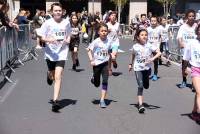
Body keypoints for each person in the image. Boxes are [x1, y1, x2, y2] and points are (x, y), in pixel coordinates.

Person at [39, 3, 71, 112]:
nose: (58, 12)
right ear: (52, 12)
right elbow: (41, 37)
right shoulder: (47, 23)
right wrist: (49, 40)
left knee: (58, 76)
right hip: (50, 53)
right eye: (56, 10)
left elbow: (69, 34)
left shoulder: (66, 22)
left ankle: (56, 101)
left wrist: (68, 40)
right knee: (52, 75)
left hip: (62, 52)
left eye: (59, 10)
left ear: (63, 11)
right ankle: (49, 74)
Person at [129, 29, 161, 113]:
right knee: (140, 85)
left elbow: (159, 53)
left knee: (146, 85)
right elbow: (133, 55)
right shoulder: (135, 46)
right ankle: (140, 105)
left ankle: (146, 80)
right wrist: (130, 64)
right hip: (138, 68)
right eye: (142, 35)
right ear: (138, 37)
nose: (144, 36)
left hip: (147, 68)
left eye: (146, 35)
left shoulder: (149, 45)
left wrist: (152, 59)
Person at [87, 23, 114, 108]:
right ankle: (94, 77)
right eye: (102, 31)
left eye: (105, 31)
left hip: (105, 64)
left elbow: (109, 54)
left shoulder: (109, 41)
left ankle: (102, 100)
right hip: (97, 64)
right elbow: (88, 50)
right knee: (97, 84)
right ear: (98, 32)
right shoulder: (96, 41)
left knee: (105, 81)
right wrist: (92, 60)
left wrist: (110, 68)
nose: (104, 32)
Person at [183, 24, 200, 122]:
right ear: (197, 31)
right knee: (199, 92)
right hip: (196, 69)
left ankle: (194, 111)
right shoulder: (192, 43)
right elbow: (185, 59)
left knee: (198, 93)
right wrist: (184, 70)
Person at [177, 9, 197, 88]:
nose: (191, 17)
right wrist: (181, 43)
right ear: (187, 17)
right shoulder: (183, 27)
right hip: (185, 49)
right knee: (184, 66)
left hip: (194, 50)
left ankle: (194, 83)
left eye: (193, 16)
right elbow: (179, 37)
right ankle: (184, 81)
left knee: (194, 66)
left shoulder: (196, 26)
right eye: (190, 16)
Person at [147, 16, 161, 81]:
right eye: (152, 21)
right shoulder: (148, 29)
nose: (153, 22)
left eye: (154, 21)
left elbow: (160, 38)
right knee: (148, 60)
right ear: (150, 21)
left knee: (155, 61)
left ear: (156, 21)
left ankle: (155, 74)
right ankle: (148, 69)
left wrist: (159, 46)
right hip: (149, 47)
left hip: (156, 47)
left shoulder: (159, 29)